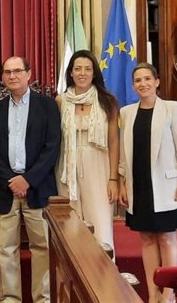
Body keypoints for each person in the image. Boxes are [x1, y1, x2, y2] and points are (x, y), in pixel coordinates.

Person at [0, 56, 61, 303]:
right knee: (6, 250)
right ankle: (10, 299)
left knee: (42, 248)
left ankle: (43, 299)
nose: (12, 76)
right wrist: (12, 180)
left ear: (29, 74)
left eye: (17, 71)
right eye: (7, 72)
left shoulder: (47, 106)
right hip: (5, 190)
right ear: (3, 77)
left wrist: (27, 180)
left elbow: (52, 147)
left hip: (38, 189)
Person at [118, 62, 177, 303]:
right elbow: (123, 153)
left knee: (166, 237)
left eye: (147, 78)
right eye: (138, 80)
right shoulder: (126, 113)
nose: (143, 84)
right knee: (147, 239)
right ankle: (153, 293)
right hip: (138, 186)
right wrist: (121, 182)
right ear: (133, 85)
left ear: (157, 81)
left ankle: (169, 294)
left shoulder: (173, 109)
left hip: (166, 186)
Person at [56, 50, 119, 250]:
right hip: (67, 170)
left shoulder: (107, 101)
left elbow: (114, 142)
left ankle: (103, 278)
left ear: (94, 73)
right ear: (71, 73)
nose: (82, 73)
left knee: (100, 226)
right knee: (71, 226)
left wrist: (114, 179)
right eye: (77, 69)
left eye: (87, 69)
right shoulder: (61, 101)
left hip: (99, 169)